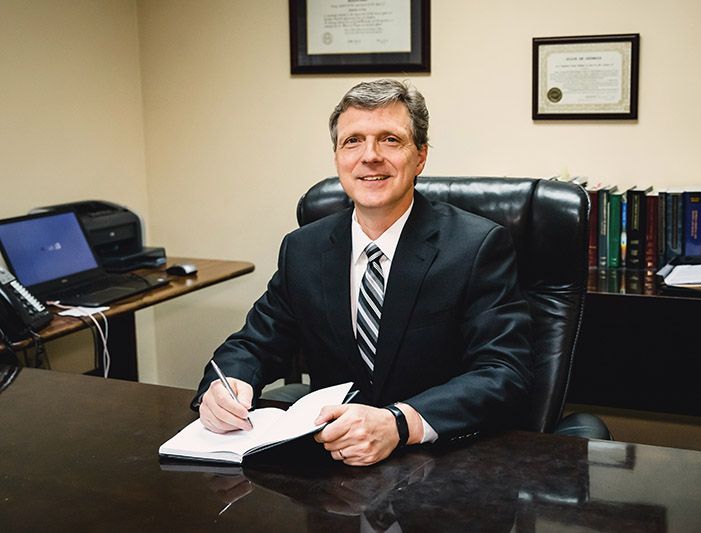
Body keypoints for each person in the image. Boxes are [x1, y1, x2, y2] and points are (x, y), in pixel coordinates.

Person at [193, 79, 533, 466]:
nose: (369, 156)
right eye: (352, 141)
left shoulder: (476, 247)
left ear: (420, 156)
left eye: (390, 139)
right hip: (333, 469)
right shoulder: (303, 249)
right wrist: (225, 387)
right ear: (337, 156)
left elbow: (504, 373)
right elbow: (254, 344)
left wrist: (398, 423)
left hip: (442, 462)